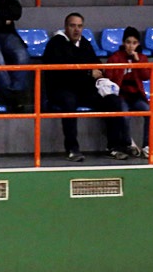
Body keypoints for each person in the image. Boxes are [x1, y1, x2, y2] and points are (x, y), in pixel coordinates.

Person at [42, 12, 128, 161]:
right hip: (61, 89)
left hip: (84, 90)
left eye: (80, 26)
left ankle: (113, 147)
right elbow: (62, 72)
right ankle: (72, 149)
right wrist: (88, 73)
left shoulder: (85, 43)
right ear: (65, 27)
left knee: (113, 101)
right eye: (73, 26)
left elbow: (97, 65)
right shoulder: (55, 44)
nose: (76, 30)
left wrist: (97, 74)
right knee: (69, 102)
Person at [104, 26, 151, 158]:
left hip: (136, 95)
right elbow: (108, 76)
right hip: (121, 95)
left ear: (138, 44)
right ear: (123, 43)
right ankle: (129, 143)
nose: (131, 46)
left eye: (134, 43)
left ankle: (147, 145)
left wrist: (137, 62)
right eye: (128, 42)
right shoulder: (115, 57)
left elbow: (146, 75)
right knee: (125, 115)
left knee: (149, 112)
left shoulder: (142, 58)